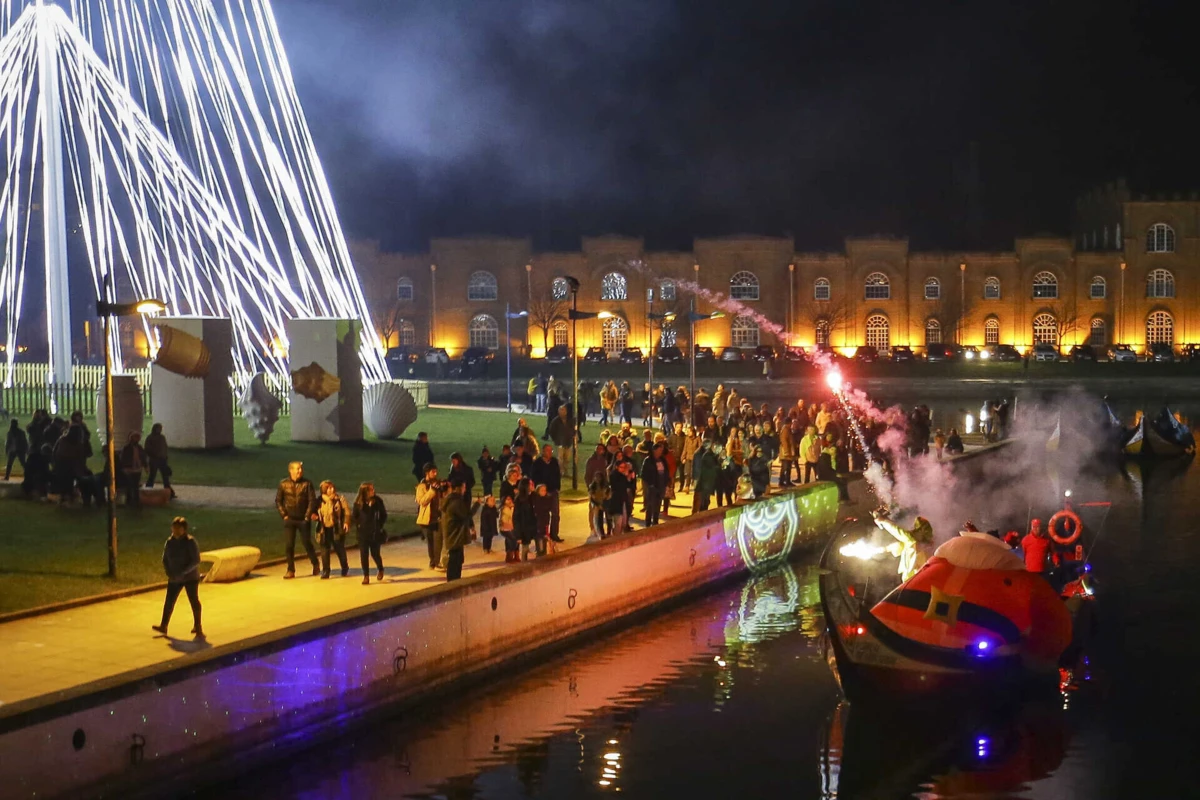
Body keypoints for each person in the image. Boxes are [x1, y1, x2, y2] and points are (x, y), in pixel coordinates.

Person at [152, 516, 203, 638]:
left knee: (194, 601)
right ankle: (164, 625)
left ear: (184, 529)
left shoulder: (190, 542)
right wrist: (169, 572)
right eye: (173, 528)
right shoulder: (169, 542)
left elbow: (196, 560)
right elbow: (165, 559)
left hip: (190, 578)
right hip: (174, 577)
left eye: (178, 528)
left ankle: (198, 625)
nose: (175, 530)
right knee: (169, 601)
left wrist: (183, 572)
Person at [276, 461, 320, 579]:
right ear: (291, 470)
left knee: (307, 543)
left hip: (303, 519)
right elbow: (278, 501)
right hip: (290, 519)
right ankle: (290, 570)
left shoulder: (307, 484)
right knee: (289, 545)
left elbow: (312, 501)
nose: (300, 471)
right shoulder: (283, 484)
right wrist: (284, 515)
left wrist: (307, 516)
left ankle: (315, 563)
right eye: (297, 469)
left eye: (301, 469)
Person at [873, 511, 934, 581]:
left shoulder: (913, 540)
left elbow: (899, 532)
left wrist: (883, 521)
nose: (913, 530)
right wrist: (885, 549)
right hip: (916, 580)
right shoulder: (920, 544)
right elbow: (900, 546)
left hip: (914, 579)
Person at [440, 478, 479, 581]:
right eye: (464, 487)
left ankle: (454, 580)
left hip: (454, 536)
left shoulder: (452, 500)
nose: (465, 489)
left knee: (457, 560)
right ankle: (453, 581)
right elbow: (466, 515)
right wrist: (477, 504)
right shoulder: (456, 502)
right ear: (459, 488)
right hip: (455, 536)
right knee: (455, 561)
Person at [351, 482, 388, 585]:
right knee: (364, 555)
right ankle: (366, 576)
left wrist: (379, 525)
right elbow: (354, 517)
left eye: (373, 489)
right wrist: (358, 525)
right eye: (371, 490)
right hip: (363, 533)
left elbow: (384, 515)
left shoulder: (378, 501)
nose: (373, 491)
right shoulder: (358, 503)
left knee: (375, 554)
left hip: (374, 532)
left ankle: (380, 568)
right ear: (365, 492)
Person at [316, 480, 350, 579]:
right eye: (329, 488)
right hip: (324, 528)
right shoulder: (319, 501)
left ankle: (344, 566)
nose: (332, 490)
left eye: (332, 487)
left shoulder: (340, 499)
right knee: (324, 550)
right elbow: (313, 511)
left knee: (339, 548)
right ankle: (326, 570)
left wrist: (346, 522)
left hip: (336, 527)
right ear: (324, 490)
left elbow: (347, 511)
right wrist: (313, 516)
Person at [530, 444, 564, 542]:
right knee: (542, 515)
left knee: (555, 514)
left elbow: (557, 475)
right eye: (547, 451)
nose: (549, 453)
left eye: (551, 451)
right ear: (543, 451)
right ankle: (542, 534)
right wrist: (541, 490)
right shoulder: (537, 463)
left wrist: (557, 487)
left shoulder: (554, 462)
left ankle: (554, 534)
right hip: (542, 492)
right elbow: (534, 477)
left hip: (553, 491)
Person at [416, 463, 445, 570]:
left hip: (437, 517)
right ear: (427, 473)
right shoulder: (422, 486)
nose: (435, 473)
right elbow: (422, 501)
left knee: (438, 541)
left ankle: (436, 562)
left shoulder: (438, 483)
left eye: (436, 471)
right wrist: (432, 491)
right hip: (426, 519)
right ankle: (433, 562)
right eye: (433, 471)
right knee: (431, 542)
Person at [143, 423, 176, 499]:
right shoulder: (150, 438)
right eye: (158, 428)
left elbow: (165, 447)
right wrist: (154, 454)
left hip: (162, 460)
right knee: (152, 476)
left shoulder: (162, 437)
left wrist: (165, 456)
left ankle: (169, 493)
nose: (160, 430)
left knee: (165, 477)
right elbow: (147, 449)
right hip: (154, 460)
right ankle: (148, 491)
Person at [639, 442, 668, 526]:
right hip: (652, 486)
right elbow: (644, 474)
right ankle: (648, 522)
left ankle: (655, 521)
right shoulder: (648, 460)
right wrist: (650, 484)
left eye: (661, 450)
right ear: (654, 450)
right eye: (659, 450)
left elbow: (666, 471)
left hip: (661, 485)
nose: (661, 452)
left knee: (658, 504)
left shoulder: (662, 460)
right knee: (650, 505)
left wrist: (666, 482)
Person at [117, 431, 147, 507]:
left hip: (138, 469)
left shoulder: (139, 447)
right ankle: (129, 500)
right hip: (129, 469)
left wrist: (145, 466)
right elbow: (123, 459)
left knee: (136, 485)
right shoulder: (126, 448)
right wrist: (124, 467)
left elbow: (143, 457)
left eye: (138, 438)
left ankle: (136, 500)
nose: (137, 439)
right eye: (135, 437)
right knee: (129, 485)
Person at [818, 433, 851, 502]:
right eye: (832, 449)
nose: (833, 451)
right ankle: (843, 498)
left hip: (832, 473)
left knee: (843, 481)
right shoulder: (825, 455)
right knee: (841, 482)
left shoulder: (832, 454)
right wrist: (835, 473)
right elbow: (827, 468)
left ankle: (845, 498)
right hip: (827, 474)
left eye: (834, 450)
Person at [515, 480, 538, 561]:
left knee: (540, 545)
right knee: (525, 548)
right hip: (525, 528)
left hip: (535, 526)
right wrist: (518, 535)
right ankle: (524, 564)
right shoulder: (519, 499)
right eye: (530, 484)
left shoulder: (535, 496)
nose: (533, 485)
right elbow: (516, 518)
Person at [587, 472, 610, 540]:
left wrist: (605, 502)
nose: (597, 479)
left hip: (604, 503)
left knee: (608, 518)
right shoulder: (592, 486)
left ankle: (609, 531)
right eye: (596, 477)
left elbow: (608, 494)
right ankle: (601, 533)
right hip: (596, 504)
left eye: (599, 477)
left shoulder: (605, 486)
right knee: (599, 519)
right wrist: (597, 504)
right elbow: (591, 497)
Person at [499, 495, 519, 562]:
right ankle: (510, 556)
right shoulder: (504, 509)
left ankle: (514, 556)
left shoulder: (513, 508)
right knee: (513, 540)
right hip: (505, 528)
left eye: (510, 499)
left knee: (510, 541)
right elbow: (506, 518)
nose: (509, 501)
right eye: (507, 499)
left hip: (512, 528)